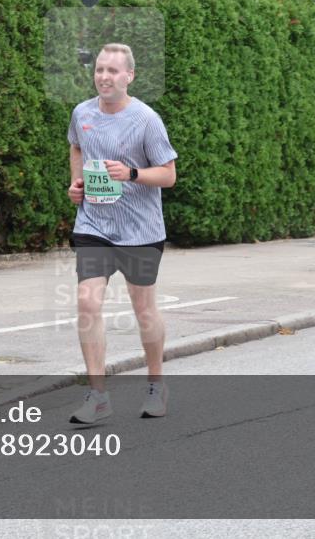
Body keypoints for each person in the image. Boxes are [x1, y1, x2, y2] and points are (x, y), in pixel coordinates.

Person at [66, 43, 177, 424]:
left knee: (143, 309)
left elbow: (169, 174)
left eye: (113, 71)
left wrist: (131, 173)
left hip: (141, 230)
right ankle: (98, 395)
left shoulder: (146, 119)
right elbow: (77, 148)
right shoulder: (81, 113)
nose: (104, 77)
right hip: (94, 224)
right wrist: (75, 184)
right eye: (100, 69)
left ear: (129, 76)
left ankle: (156, 385)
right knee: (87, 303)